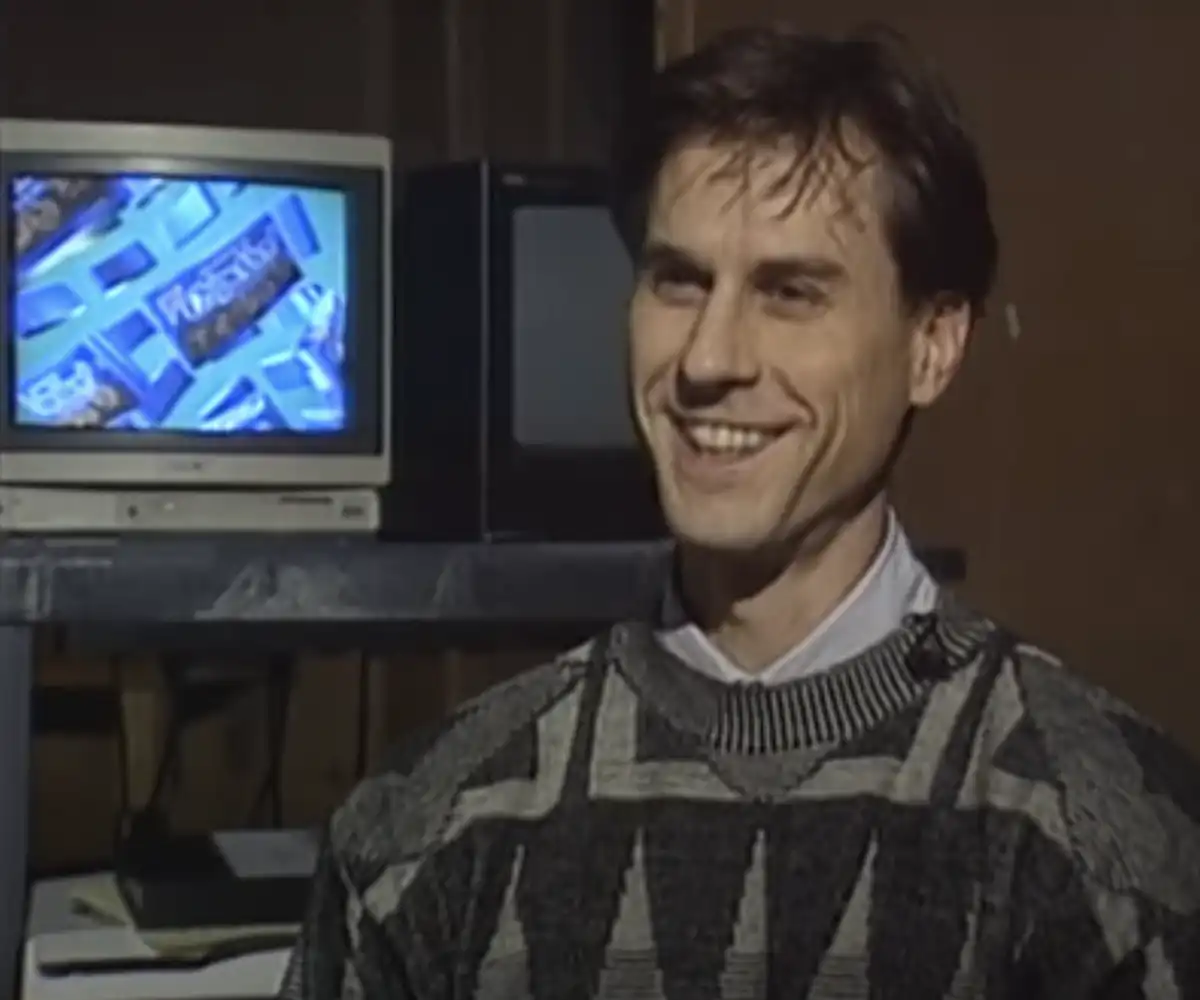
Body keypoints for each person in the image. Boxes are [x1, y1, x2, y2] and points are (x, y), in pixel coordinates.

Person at [281, 23, 1200, 999]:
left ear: (934, 344)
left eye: (790, 291)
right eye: (678, 280)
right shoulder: (430, 825)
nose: (710, 359)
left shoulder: (1097, 839)